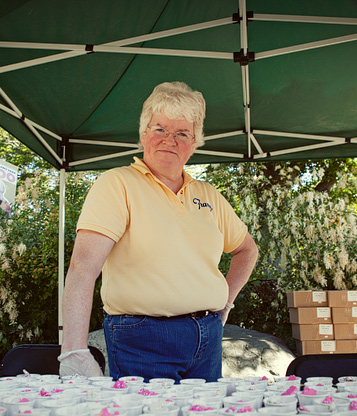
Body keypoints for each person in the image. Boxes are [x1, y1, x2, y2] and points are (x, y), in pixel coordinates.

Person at [58, 81, 258, 381]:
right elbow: (83, 267)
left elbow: (247, 250)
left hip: (208, 335)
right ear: (143, 134)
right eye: (160, 129)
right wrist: (74, 349)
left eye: (182, 133)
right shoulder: (117, 184)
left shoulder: (208, 194)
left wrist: (226, 303)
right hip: (142, 338)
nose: (170, 140)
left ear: (194, 142)